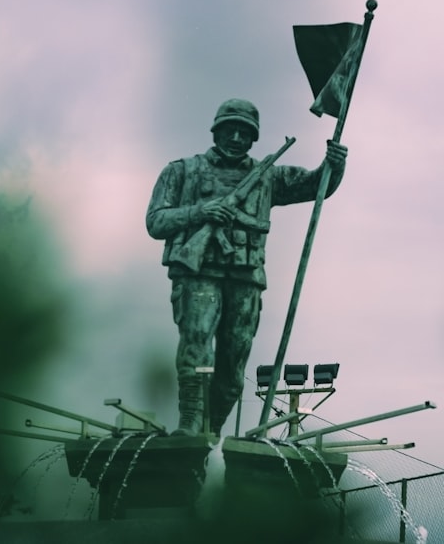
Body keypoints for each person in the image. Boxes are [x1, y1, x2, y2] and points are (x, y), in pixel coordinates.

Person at [146, 98, 348, 436]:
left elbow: (315, 185)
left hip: (246, 277)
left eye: (245, 133)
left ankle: (211, 430)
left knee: (233, 370)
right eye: (230, 130)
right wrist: (201, 212)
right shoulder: (181, 171)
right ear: (217, 131)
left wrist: (335, 165)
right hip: (198, 273)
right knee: (196, 347)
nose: (237, 138)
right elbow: (155, 221)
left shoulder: (267, 177)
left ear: (254, 139)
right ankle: (189, 422)